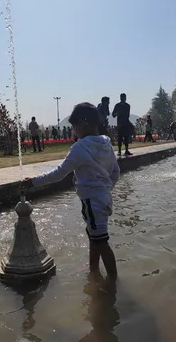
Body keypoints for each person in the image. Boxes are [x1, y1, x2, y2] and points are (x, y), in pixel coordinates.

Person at [22, 102, 120, 282]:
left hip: (92, 201)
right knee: (94, 236)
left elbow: (59, 174)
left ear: (84, 123)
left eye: (75, 126)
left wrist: (34, 182)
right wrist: (106, 188)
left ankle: (113, 282)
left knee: (101, 241)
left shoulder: (80, 148)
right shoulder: (107, 144)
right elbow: (116, 172)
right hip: (104, 198)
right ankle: (93, 270)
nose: (74, 131)